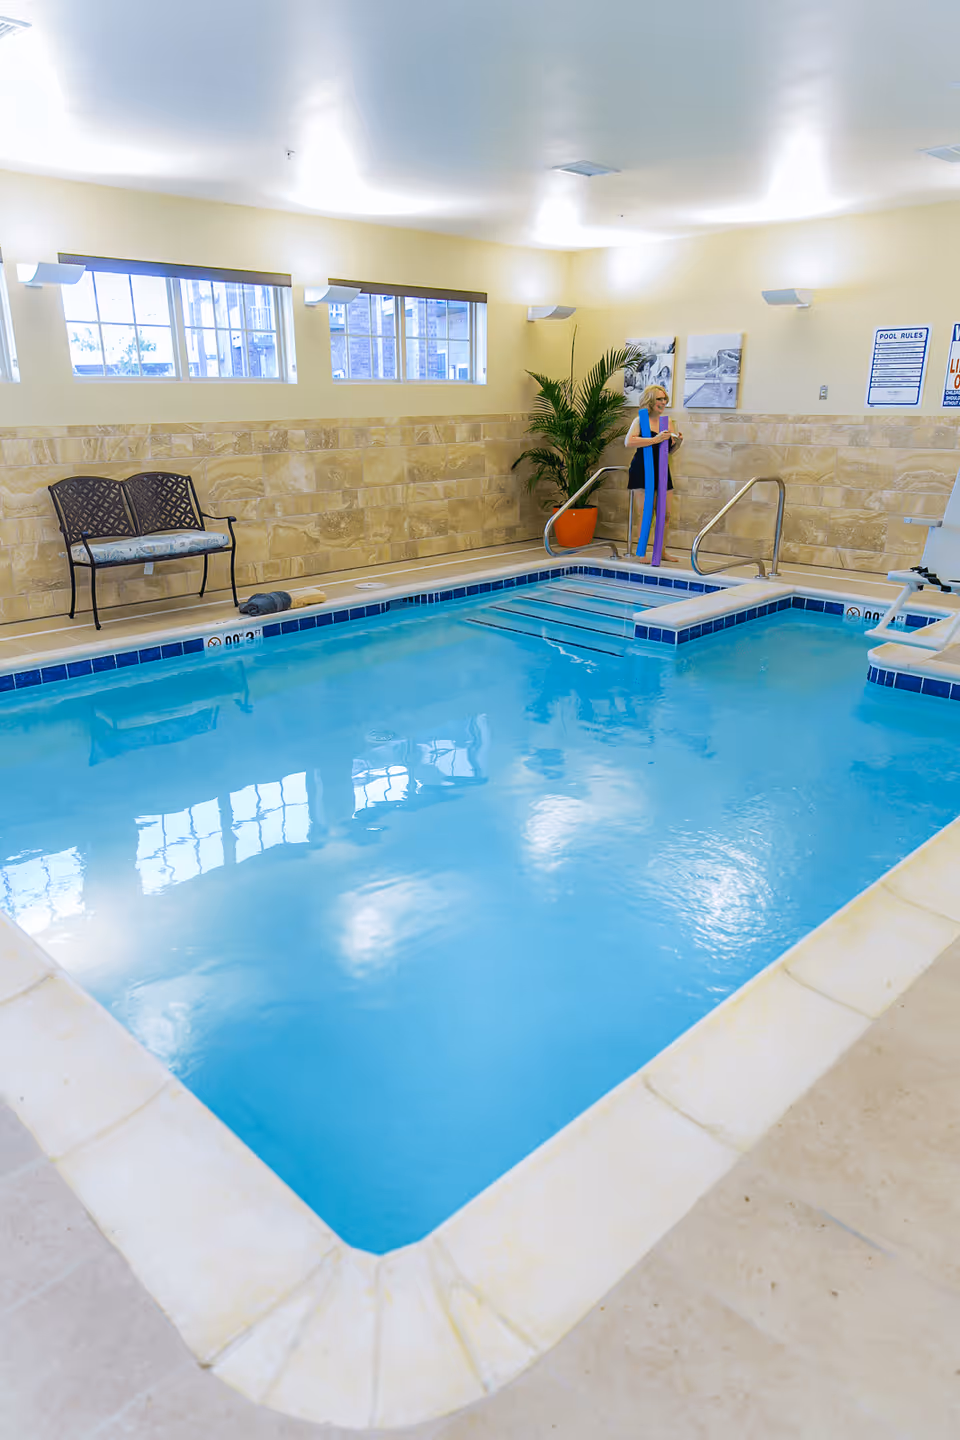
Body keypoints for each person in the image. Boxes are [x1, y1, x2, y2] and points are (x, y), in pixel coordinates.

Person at [624, 384, 683, 563]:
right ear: (650, 400)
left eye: (665, 399)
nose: (663, 402)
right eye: (659, 399)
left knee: (665, 514)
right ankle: (641, 553)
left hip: (662, 469)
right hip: (642, 469)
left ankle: (661, 551)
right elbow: (629, 442)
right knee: (646, 513)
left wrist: (678, 442)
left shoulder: (668, 422)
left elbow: (669, 451)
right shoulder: (640, 420)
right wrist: (655, 439)